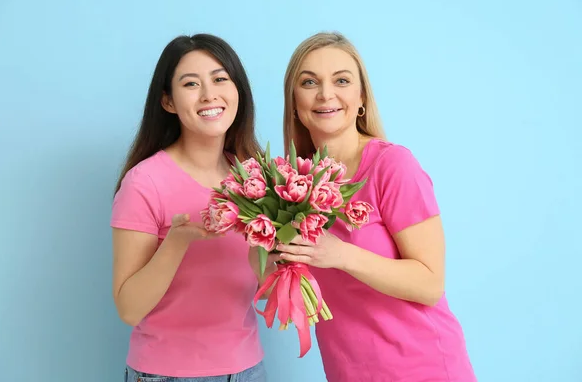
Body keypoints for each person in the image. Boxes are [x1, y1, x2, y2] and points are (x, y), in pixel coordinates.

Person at [272, 32, 477, 381]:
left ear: (361, 96)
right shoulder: (290, 186)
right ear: (294, 101)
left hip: (424, 367)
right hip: (349, 371)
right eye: (309, 82)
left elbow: (430, 284)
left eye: (341, 80)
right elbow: (269, 279)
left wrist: (339, 255)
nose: (326, 94)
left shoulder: (392, 166)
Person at [111, 34, 266, 382]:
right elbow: (129, 308)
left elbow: (262, 284)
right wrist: (177, 243)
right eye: (191, 83)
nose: (209, 94)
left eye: (220, 78)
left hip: (248, 369)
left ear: (237, 89)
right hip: (165, 375)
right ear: (167, 101)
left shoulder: (255, 178)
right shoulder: (144, 183)